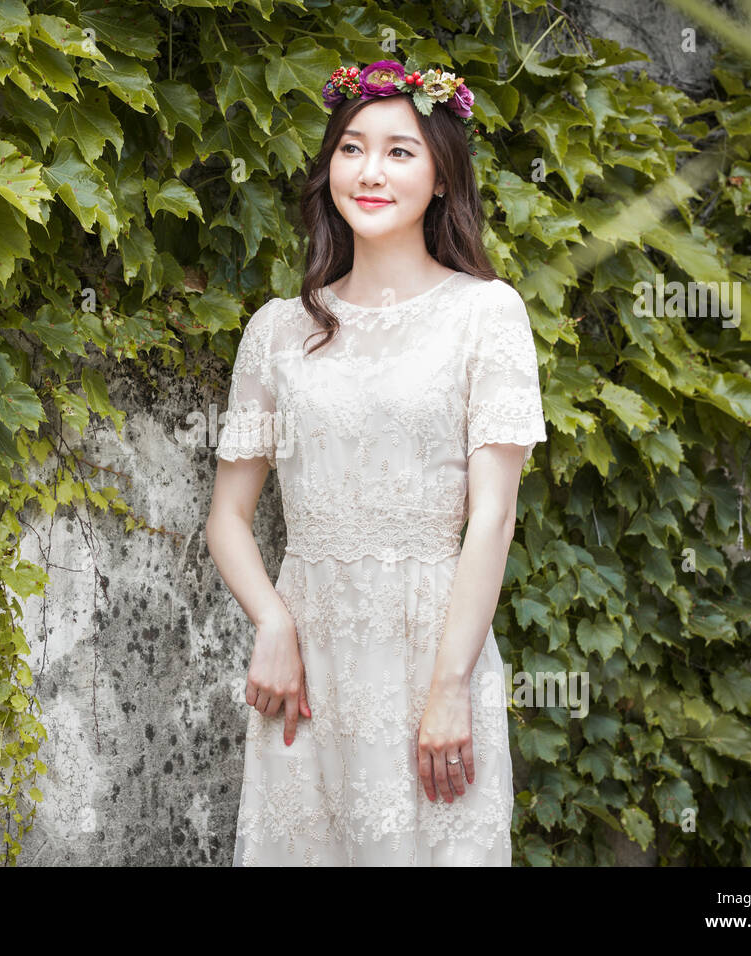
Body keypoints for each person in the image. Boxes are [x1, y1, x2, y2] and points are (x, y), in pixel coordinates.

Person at [205, 59, 548, 865]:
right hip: (306, 670)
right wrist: (273, 620)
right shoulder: (279, 330)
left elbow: (493, 517)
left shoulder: (485, 314)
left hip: (435, 651)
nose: (370, 170)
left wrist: (450, 684)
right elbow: (227, 516)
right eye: (352, 149)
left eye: (400, 151)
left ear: (440, 176)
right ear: (328, 171)